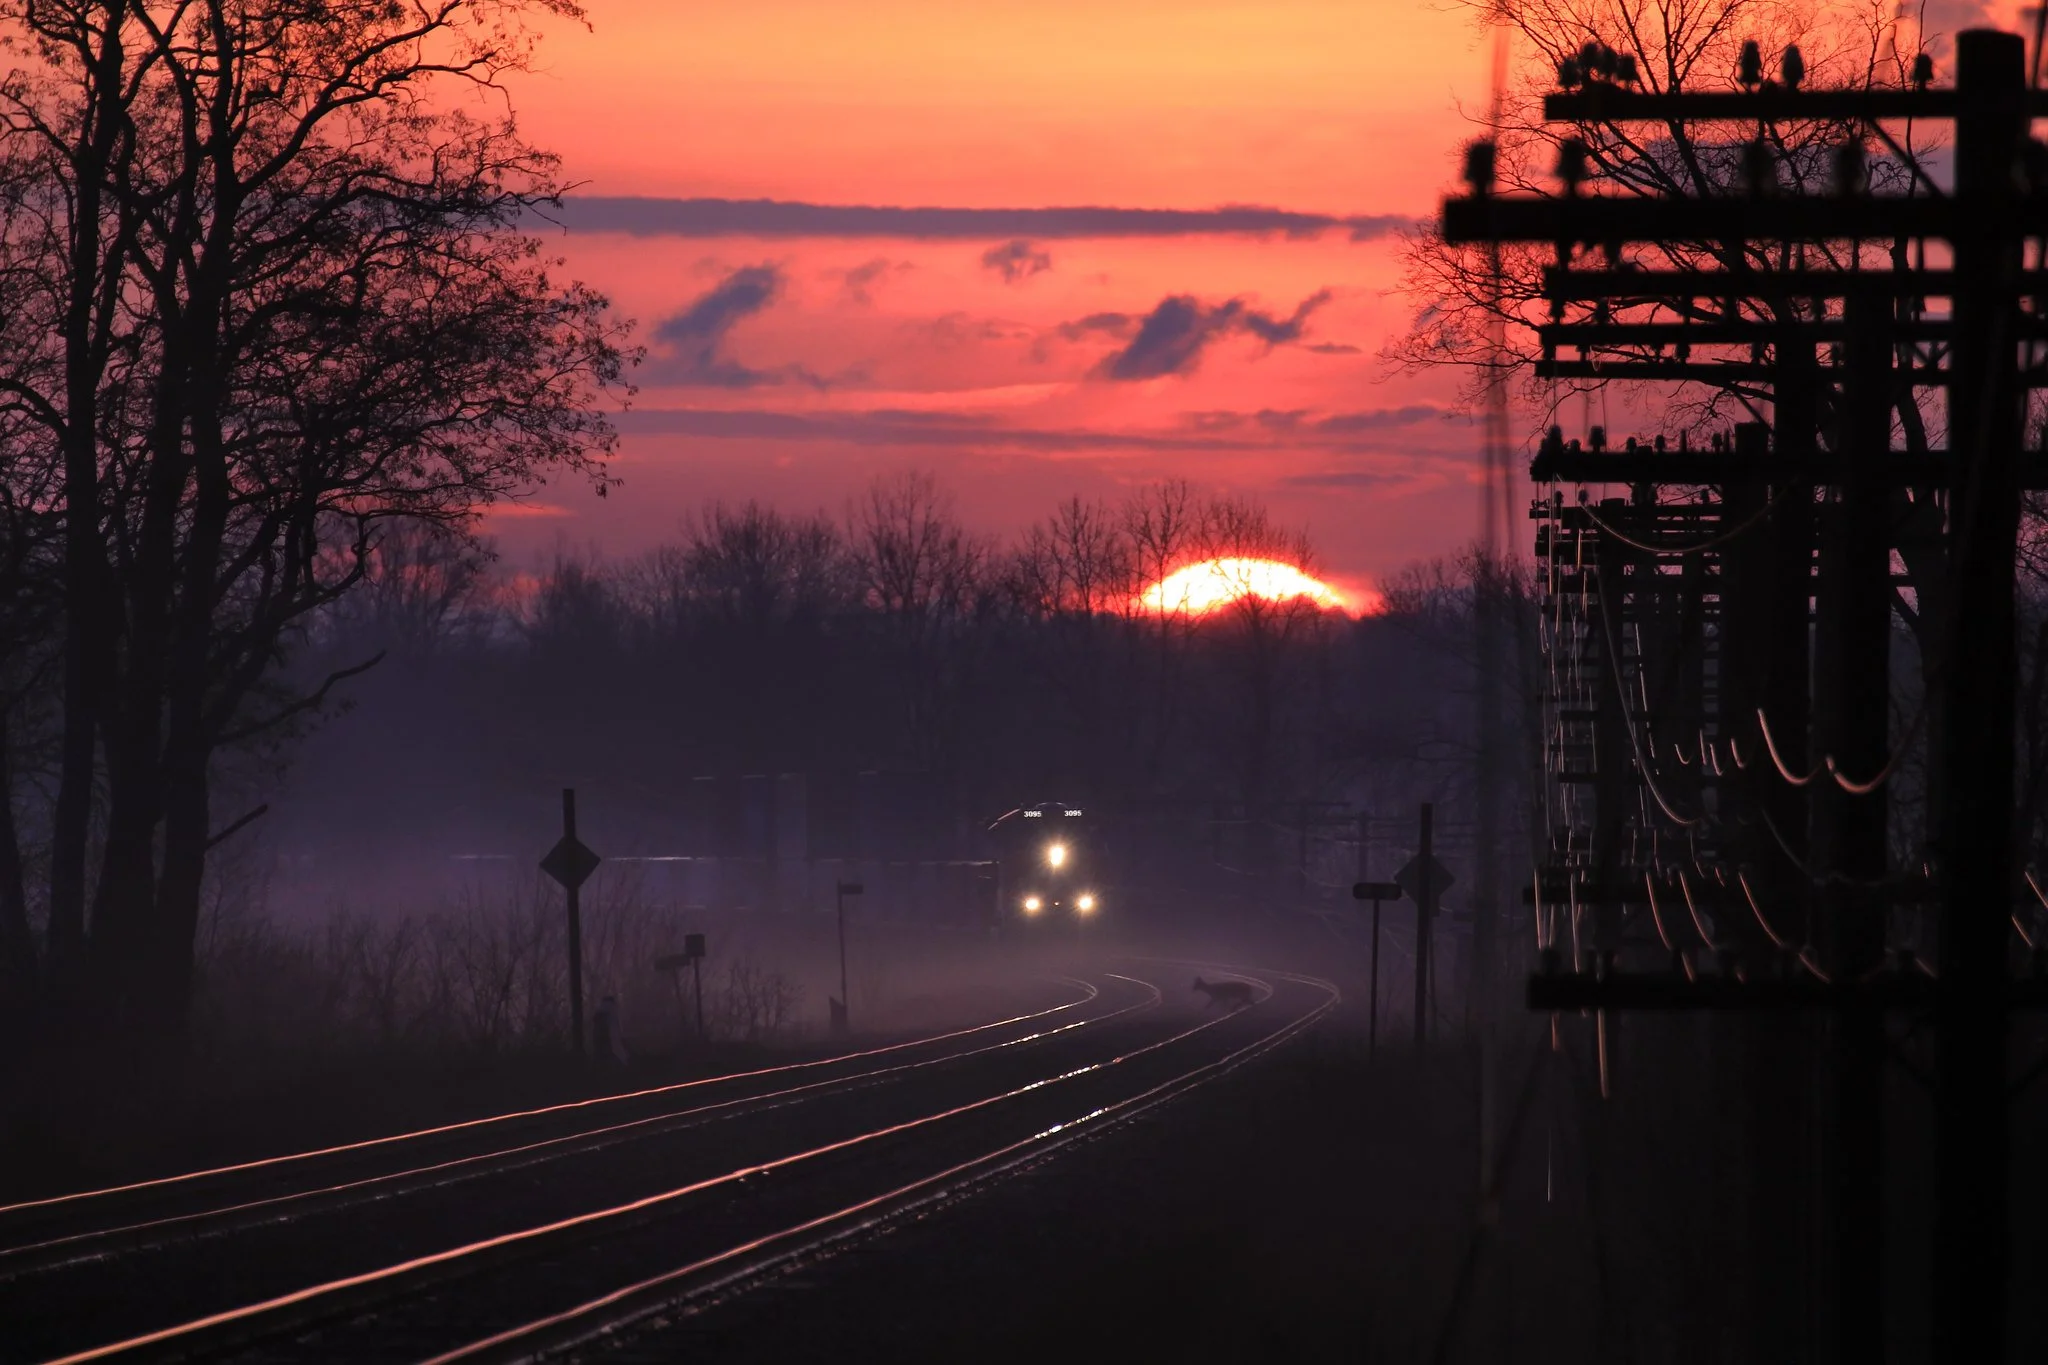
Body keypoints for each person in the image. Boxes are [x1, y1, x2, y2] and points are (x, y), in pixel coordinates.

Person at [592, 994, 629, 1063]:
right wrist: (623, 1058)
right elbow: (615, 1038)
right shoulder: (611, 1014)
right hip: (609, 1055)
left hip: (600, 1053)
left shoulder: (599, 1015)